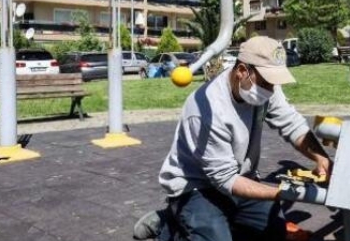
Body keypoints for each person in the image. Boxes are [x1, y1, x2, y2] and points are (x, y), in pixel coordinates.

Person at [134, 36, 332, 241]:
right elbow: (225, 179)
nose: (272, 90)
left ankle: (197, 219)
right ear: (242, 71)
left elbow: (292, 124)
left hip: (238, 178)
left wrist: (323, 159)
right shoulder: (207, 110)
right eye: (267, 82)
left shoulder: (264, 86)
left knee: (273, 233)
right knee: (214, 237)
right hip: (196, 186)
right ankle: (170, 224)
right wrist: (283, 192)